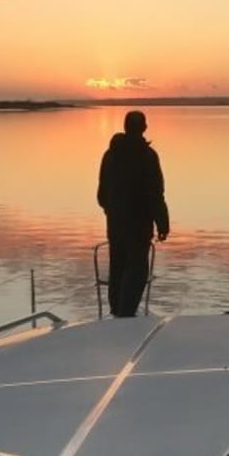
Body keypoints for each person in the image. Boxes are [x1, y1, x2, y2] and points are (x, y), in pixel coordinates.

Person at [97, 110, 170, 316]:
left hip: (115, 226)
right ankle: (125, 315)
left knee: (117, 269)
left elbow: (102, 194)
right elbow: (156, 193)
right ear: (144, 128)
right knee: (137, 271)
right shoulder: (148, 156)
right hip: (138, 227)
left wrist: (111, 211)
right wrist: (162, 224)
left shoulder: (110, 154)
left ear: (126, 127)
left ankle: (116, 312)